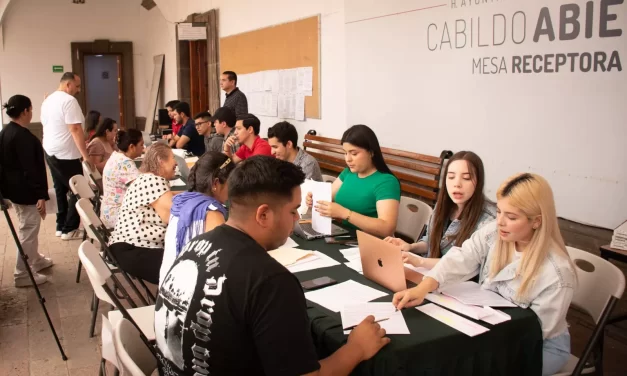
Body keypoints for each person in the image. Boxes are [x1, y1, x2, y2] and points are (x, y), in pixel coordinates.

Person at [154, 156, 389, 375]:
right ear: (263, 215)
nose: (297, 219)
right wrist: (356, 348)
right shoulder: (271, 281)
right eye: (294, 210)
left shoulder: (197, 243)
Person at [393, 173, 576, 376]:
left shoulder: (557, 274)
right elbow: (462, 258)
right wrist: (423, 287)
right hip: (492, 326)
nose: (500, 222)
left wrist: (483, 346)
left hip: (535, 345)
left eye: (512, 217)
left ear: (537, 221)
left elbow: (534, 332)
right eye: (498, 211)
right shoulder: (494, 234)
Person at [384, 151, 496, 269]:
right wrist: (411, 247)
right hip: (433, 275)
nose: (457, 184)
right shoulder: (443, 205)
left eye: (466, 178)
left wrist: (420, 261)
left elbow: (463, 263)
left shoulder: (488, 221)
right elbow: (432, 242)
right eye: (451, 177)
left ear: (478, 182)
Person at [306, 125, 400, 238]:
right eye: (345, 153)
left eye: (354, 153)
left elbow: (386, 229)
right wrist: (314, 200)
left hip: (371, 244)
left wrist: (344, 213)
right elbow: (326, 197)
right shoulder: (348, 173)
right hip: (346, 236)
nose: (348, 159)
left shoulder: (386, 182)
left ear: (371, 152)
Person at [158, 152, 235, 286]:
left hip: (167, 288)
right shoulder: (211, 212)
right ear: (216, 183)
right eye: (231, 182)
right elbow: (222, 262)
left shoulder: (181, 202)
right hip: (191, 296)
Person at [0, 95, 54, 287]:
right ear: (25, 111)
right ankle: (22, 273)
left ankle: (34, 259)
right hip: (25, 192)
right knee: (28, 230)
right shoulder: (23, 137)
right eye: (31, 109)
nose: (31, 113)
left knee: (29, 226)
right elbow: (31, 169)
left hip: (15, 190)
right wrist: (40, 194)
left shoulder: (6, 131)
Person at [108, 143, 176, 284]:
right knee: (190, 270)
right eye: (172, 158)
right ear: (160, 161)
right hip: (135, 250)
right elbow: (173, 216)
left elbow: (170, 196)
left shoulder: (146, 178)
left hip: (127, 249)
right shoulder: (154, 181)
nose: (175, 162)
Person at [41, 72, 90, 240]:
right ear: (68, 85)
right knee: (78, 190)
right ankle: (70, 229)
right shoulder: (69, 101)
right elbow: (75, 129)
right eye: (77, 86)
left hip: (50, 151)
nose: (78, 90)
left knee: (60, 190)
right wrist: (85, 156)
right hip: (66, 154)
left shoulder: (48, 100)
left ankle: (60, 226)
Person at [101, 129, 143, 229]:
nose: (143, 148)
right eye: (141, 145)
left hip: (108, 212)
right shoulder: (125, 163)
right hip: (118, 215)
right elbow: (143, 189)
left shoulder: (116, 156)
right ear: (132, 147)